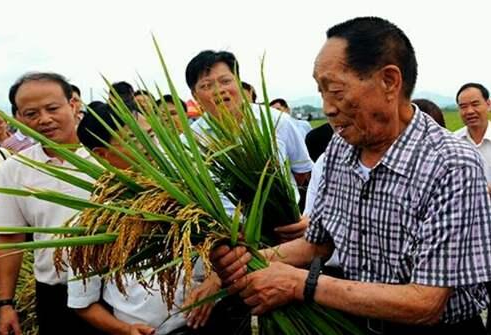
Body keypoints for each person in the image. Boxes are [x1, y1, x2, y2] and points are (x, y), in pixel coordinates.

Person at [211, 17, 491, 334]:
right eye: (321, 92)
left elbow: (425, 302)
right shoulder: (338, 153)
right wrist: (251, 259)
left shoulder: (451, 164)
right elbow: (318, 244)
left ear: (389, 81)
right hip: (353, 321)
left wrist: (301, 283)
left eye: (335, 90)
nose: (327, 108)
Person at [185, 50, 313, 334]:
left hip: (284, 245)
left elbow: (305, 176)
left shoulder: (276, 122)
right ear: (195, 97)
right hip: (226, 256)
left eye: (225, 81)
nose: (219, 91)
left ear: (240, 84)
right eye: (206, 86)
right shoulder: (189, 144)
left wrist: (303, 218)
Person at [70, 104, 221, 335]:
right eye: (134, 139)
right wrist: (125, 330)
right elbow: (84, 303)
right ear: (102, 154)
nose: (150, 146)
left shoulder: (193, 190)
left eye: (151, 135)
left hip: (215, 322)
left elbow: (230, 245)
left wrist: (216, 279)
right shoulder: (94, 223)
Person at [0, 72, 101, 335]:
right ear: (18, 118)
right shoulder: (16, 168)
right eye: (31, 113)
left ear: (73, 105)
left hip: (116, 291)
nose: (44, 119)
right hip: (55, 295)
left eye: (52, 108)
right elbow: (10, 238)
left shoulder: (106, 157)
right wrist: (6, 304)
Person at [454, 83, 491, 181]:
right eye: (463, 106)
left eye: (475, 104)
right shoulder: (454, 141)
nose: (470, 111)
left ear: (488, 105)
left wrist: (483, 190)